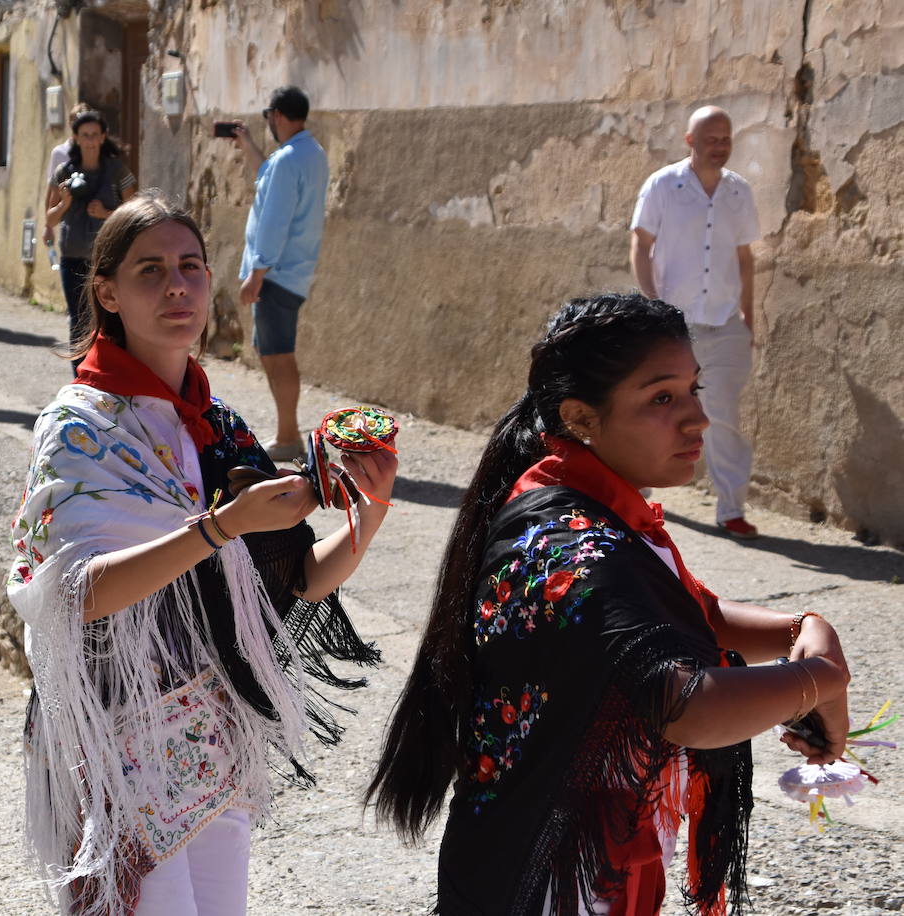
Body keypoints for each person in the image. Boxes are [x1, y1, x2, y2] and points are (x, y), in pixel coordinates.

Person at [365, 293, 852, 915]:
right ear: (582, 418)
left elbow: (690, 614)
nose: (697, 418)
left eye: (693, 389)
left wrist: (805, 629)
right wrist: (819, 679)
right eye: (662, 398)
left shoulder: (593, 508)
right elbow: (685, 705)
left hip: (590, 852)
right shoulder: (573, 545)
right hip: (547, 875)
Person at [8, 194, 392, 916]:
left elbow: (301, 580)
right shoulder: (77, 428)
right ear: (108, 293)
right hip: (112, 739)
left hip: (211, 735)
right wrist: (217, 530)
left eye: (190, 267)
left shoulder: (219, 428)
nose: (177, 287)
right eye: (150, 271)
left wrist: (367, 513)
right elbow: (76, 595)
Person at [631, 106, 762, 539]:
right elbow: (640, 245)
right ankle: (638, 496)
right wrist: (652, 308)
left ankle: (731, 509)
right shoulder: (663, 185)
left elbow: (744, 258)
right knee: (657, 412)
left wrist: (748, 316)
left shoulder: (739, 192)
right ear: (690, 141)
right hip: (673, 326)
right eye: (711, 139)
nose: (720, 146)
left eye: (726, 139)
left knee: (723, 416)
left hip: (724, 324)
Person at [226, 85, 328, 463]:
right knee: (273, 351)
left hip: (277, 273)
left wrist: (257, 271)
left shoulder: (289, 160)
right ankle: (288, 434)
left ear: (278, 116)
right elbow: (269, 176)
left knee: (277, 354)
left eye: (269, 117)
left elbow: (275, 220)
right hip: (292, 271)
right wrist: (249, 145)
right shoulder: (309, 154)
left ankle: (289, 437)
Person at [43, 109, 136, 370]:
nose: (91, 140)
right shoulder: (64, 171)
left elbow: (135, 211)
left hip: (109, 259)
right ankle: (82, 378)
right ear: (76, 138)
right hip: (73, 257)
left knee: (111, 319)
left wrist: (106, 213)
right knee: (79, 320)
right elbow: (49, 219)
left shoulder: (117, 170)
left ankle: (109, 374)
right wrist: (64, 204)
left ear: (104, 137)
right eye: (85, 135)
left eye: (95, 135)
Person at [41, 101, 93, 249]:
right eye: (77, 122)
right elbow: (51, 192)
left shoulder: (98, 151)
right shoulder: (60, 153)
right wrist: (48, 227)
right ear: (70, 124)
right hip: (69, 224)